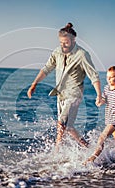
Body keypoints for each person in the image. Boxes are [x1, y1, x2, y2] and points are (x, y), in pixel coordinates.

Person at [27, 23, 102, 151]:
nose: (63, 45)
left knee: (61, 123)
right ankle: (89, 148)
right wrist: (34, 84)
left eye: (66, 42)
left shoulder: (82, 54)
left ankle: (56, 152)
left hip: (74, 94)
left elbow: (93, 75)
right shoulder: (57, 52)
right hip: (60, 94)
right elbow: (46, 69)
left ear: (73, 40)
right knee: (68, 127)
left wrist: (99, 95)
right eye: (61, 42)